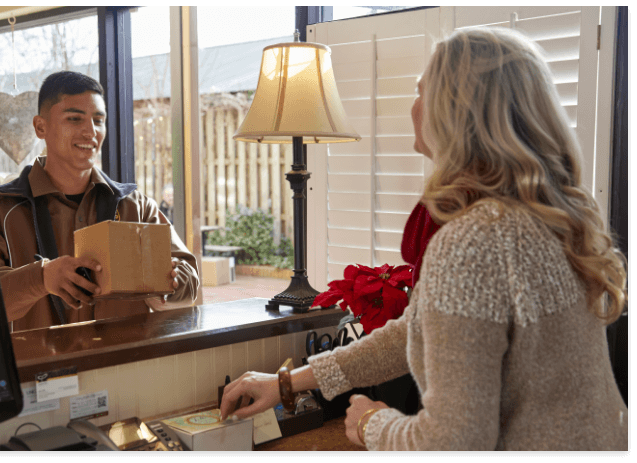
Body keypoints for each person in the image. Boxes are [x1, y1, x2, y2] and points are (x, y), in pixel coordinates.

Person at [220, 27, 628, 450]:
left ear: (455, 112)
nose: (412, 107)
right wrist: (288, 382)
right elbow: (414, 332)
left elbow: (454, 441)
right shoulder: (548, 217)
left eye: (421, 91)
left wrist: (371, 424)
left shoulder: (476, 239)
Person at [0, 71, 200, 332]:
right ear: (41, 127)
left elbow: (188, 281)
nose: (91, 132)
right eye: (74, 119)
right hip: (39, 371)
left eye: (99, 120)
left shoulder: (137, 207)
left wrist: (170, 285)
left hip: (127, 368)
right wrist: (42, 278)